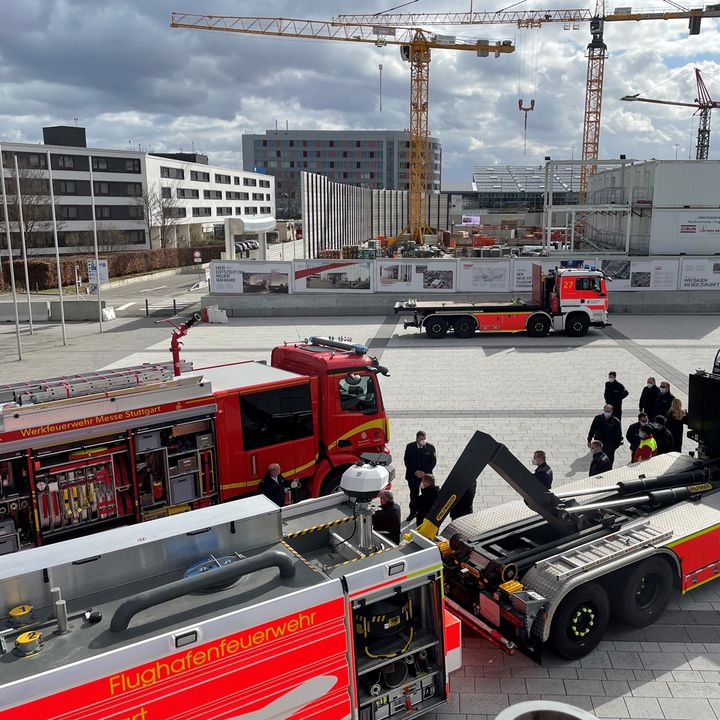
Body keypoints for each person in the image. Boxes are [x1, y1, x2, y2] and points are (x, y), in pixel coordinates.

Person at [403, 431, 437, 521]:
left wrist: (424, 473)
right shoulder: (410, 447)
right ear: (417, 439)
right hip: (413, 477)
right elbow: (407, 461)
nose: (423, 440)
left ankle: (425, 514)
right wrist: (415, 471)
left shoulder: (430, 447)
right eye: (421, 439)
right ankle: (413, 513)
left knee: (427, 496)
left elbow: (433, 461)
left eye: (424, 438)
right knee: (413, 495)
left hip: (425, 478)